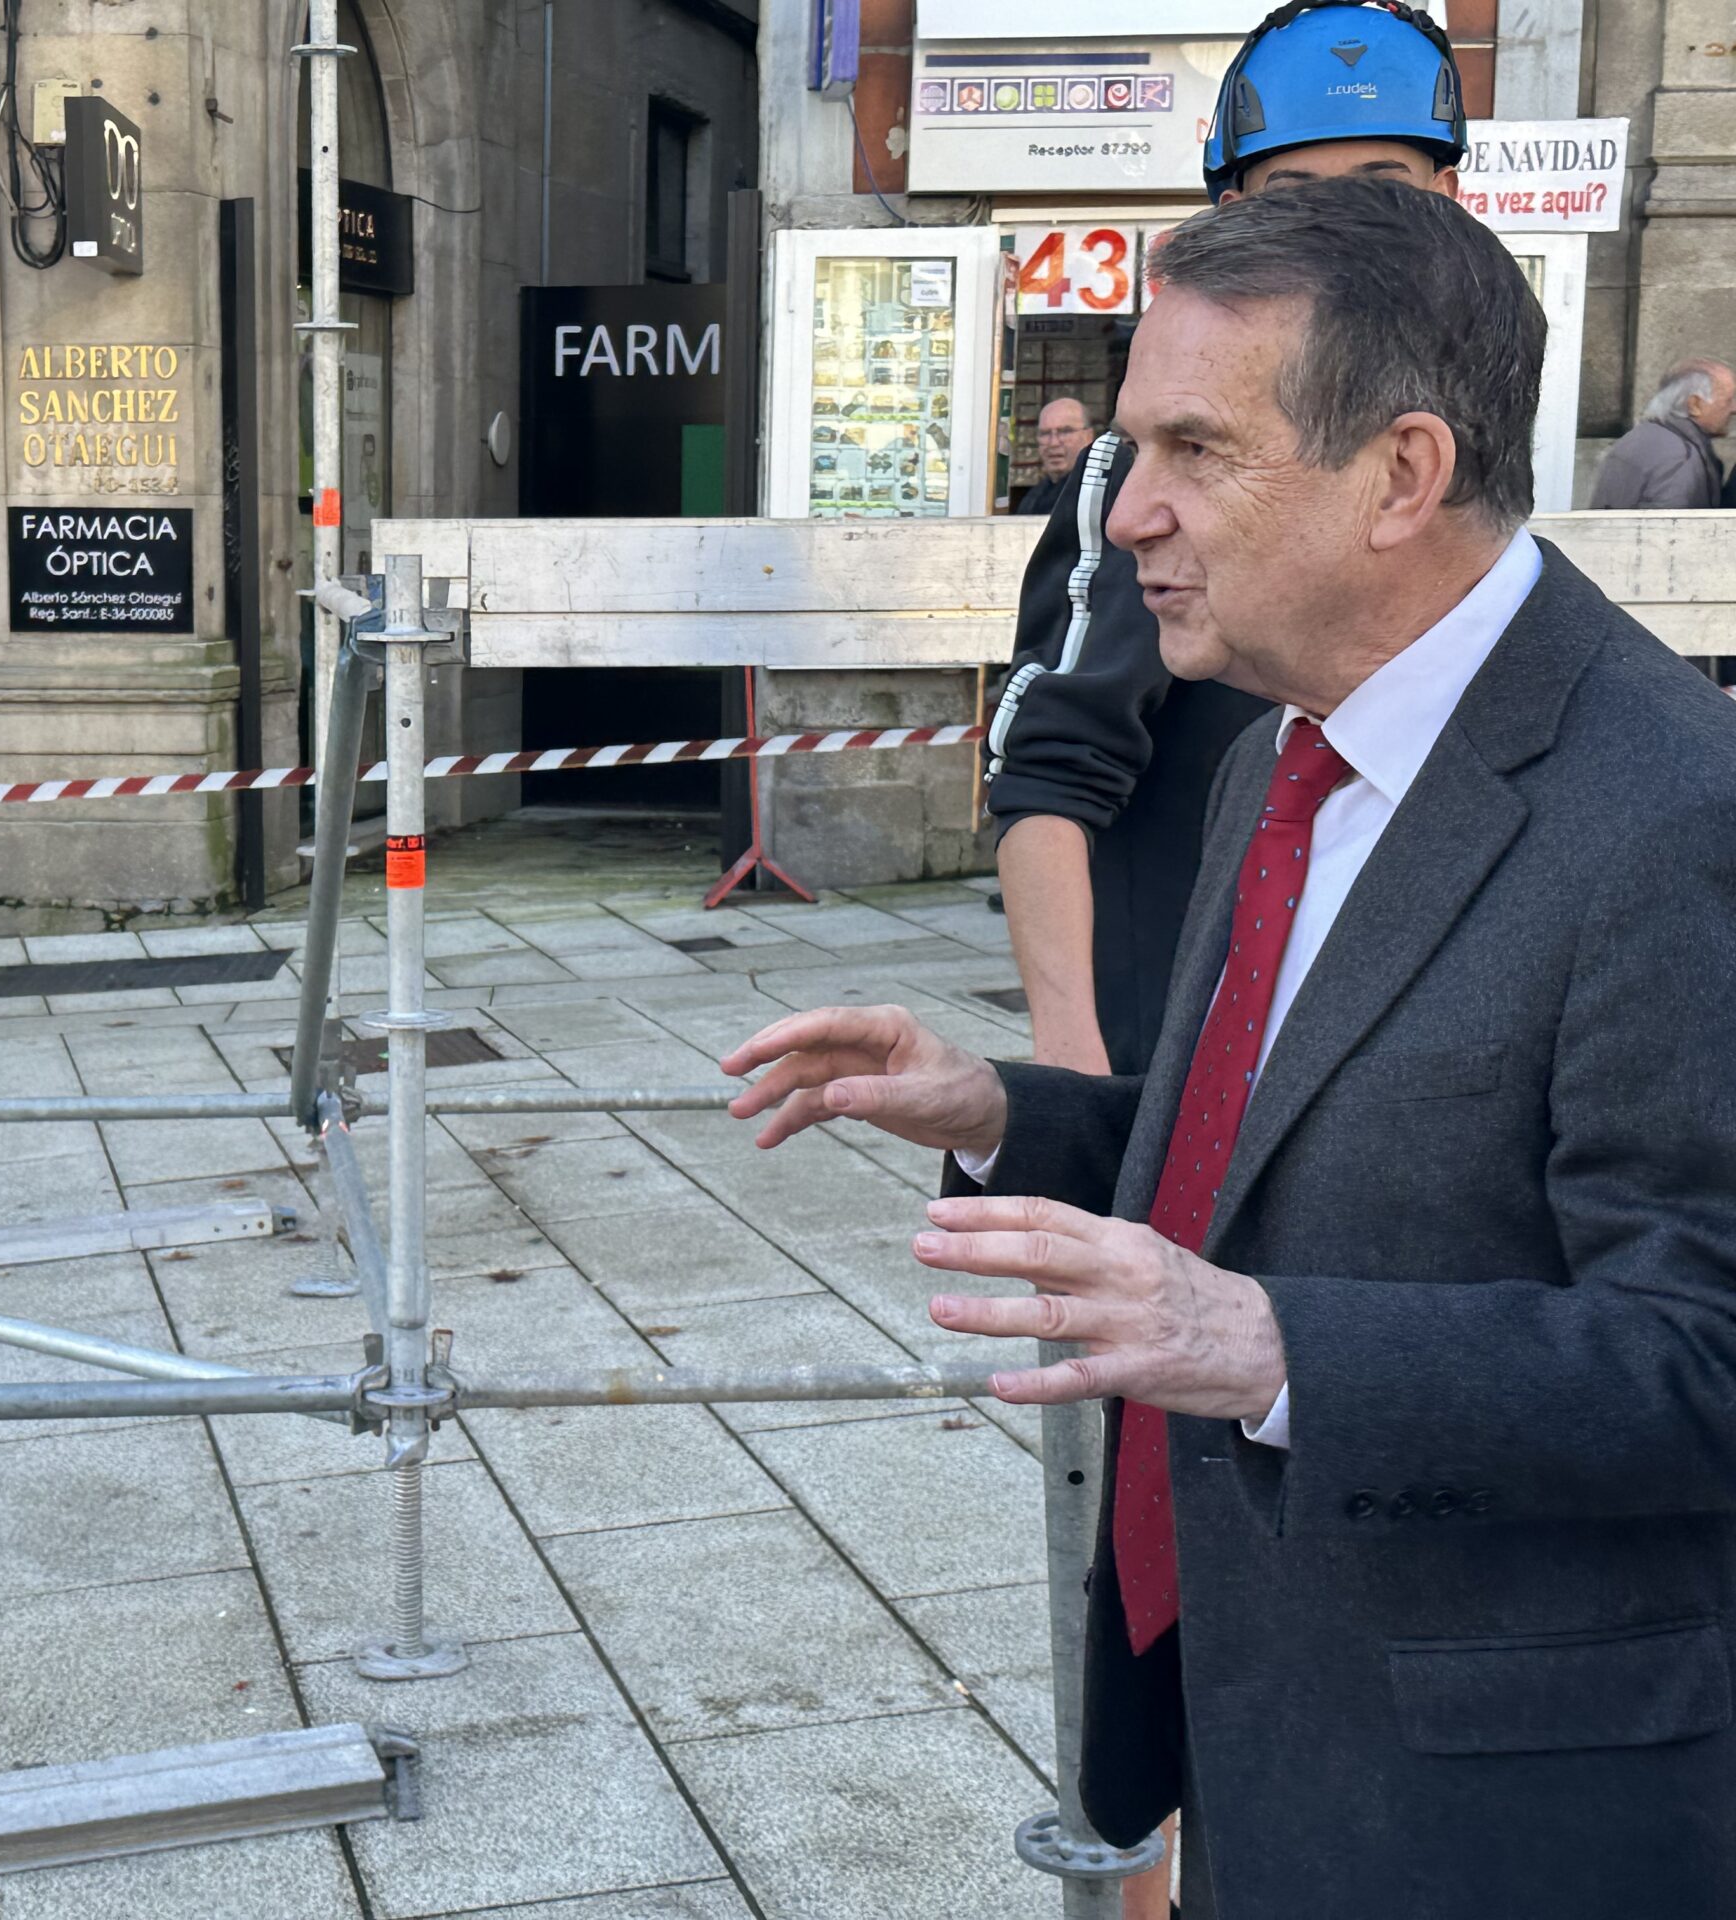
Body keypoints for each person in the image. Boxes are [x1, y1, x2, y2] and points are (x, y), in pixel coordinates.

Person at [729, 175, 1736, 1917]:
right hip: (1254, 1709)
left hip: (1498, 1805)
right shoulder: (1279, 752)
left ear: (1401, 478)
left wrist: (1268, 1346)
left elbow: (1702, 1358)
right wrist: (1004, 1111)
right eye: (1130, 450)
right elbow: (1266, 1160)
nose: (1129, 517)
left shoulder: (1670, 810)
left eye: (1196, 451)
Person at [988, 0, 1470, 1090]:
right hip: (1176, 1047)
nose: (1344, 234)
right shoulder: (1152, 472)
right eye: (1293, 200)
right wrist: (1072, 1067)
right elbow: (1048, 771)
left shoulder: (1468, 461)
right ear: (1229, 212)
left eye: (1383, 192)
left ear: (1450, 204)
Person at [1588, 358, 1735, 509]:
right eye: (1727, 400)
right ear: (1694, 404)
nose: (1733, 409)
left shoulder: (1639, 437)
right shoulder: (1679, 456)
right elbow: (1668, 526)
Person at [1015, 398, 1096, 516]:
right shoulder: (1033, 498)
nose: (1053, 443)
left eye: (1065, 431)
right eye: (1045, 433)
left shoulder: (1097, 494)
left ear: (1088, 437)